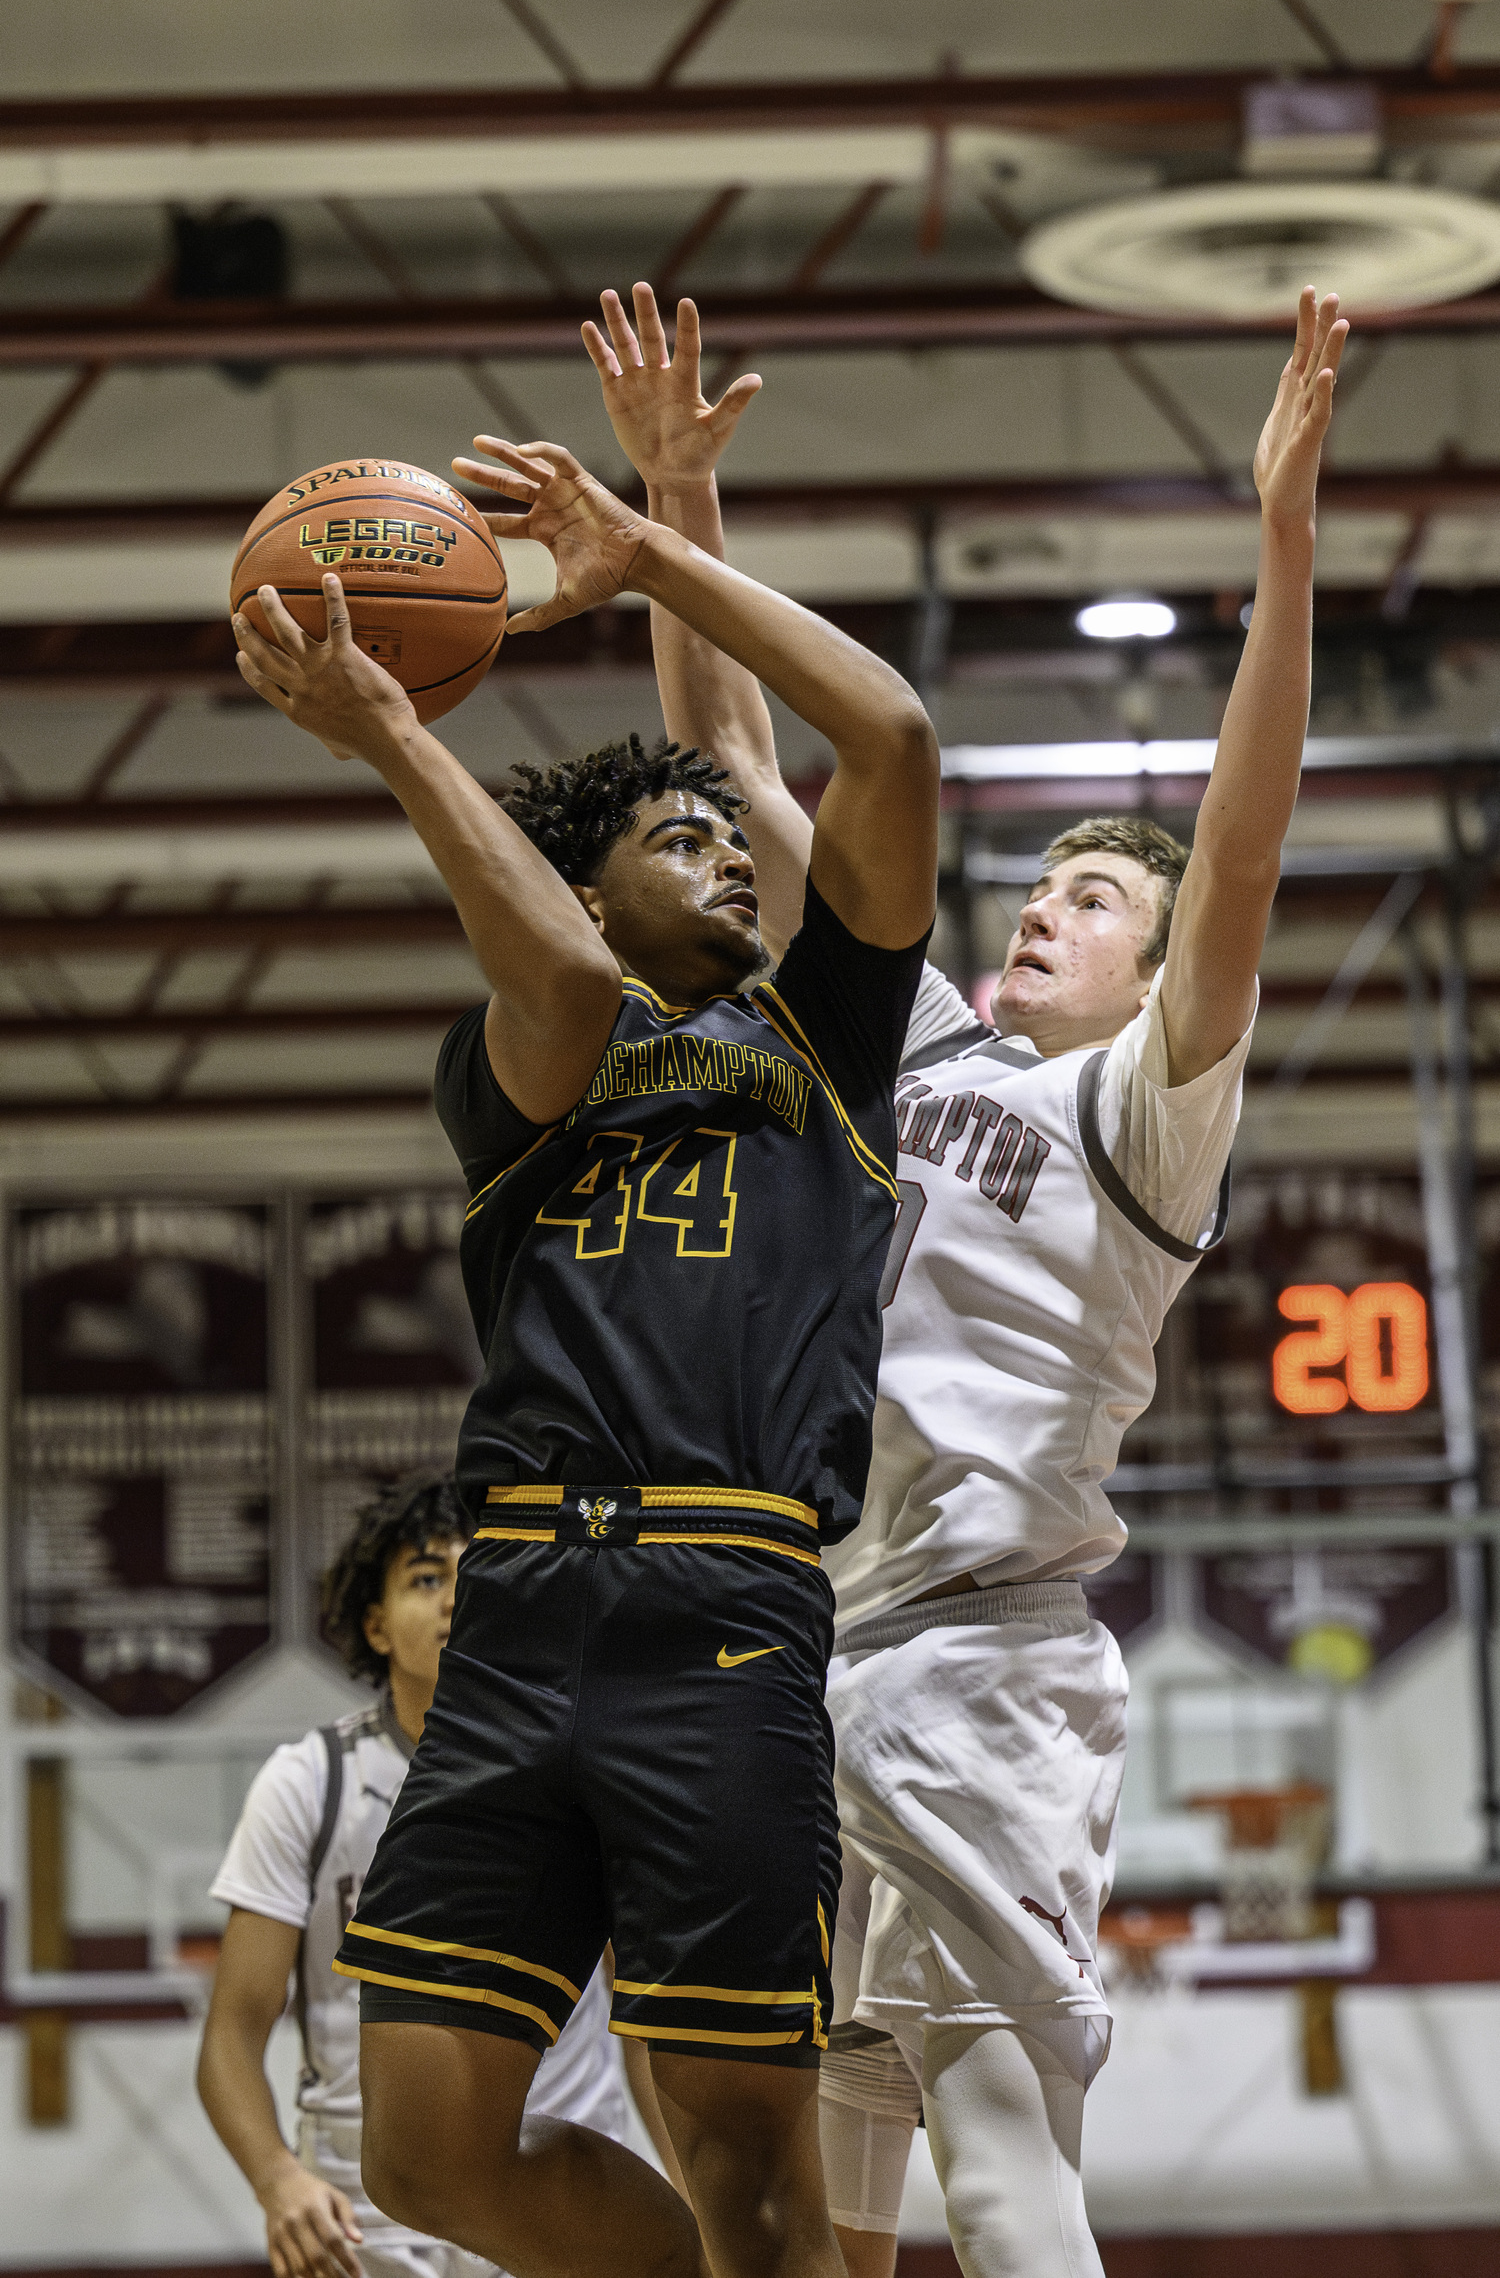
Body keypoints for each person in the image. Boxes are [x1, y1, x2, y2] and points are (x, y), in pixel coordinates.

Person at [583, 278, 1348, 2278]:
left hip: (981, 1667)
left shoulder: (1144, 1111)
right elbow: (738, 774)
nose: (1044, 902)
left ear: (1154, 971)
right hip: (810, 1652)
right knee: (815, 2217)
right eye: (1046, 879)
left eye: (1097, 895)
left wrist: (1280, 537)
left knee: (1008, 2171)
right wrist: (682, 498)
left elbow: (1245, 856)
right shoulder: (910, 1047)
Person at [230, 430, 939, 2278]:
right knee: (430, 2155)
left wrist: (648, 552)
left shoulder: (830, 1041)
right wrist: (393, 728)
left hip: (726, 1597)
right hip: (527, 1605)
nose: (725, 858)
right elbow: (548, 975)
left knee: (753, 2171)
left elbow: (895, 740)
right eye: (676, 837)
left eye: (729, 835)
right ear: (590, 886)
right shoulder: (525, 1064)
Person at [198, 1475, 633, 2278]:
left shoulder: (590, 1770)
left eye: (478, 1577)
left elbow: (644, 2019)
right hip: (366, 2223)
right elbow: (231, 2034)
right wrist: (275, 2179)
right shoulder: (308, 1782)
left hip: (556, 2200)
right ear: (376, 1624)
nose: (454, 1601)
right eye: (427, 1578)